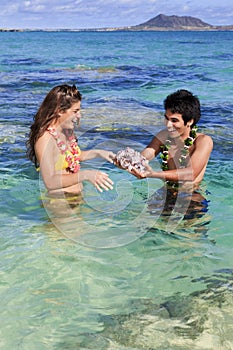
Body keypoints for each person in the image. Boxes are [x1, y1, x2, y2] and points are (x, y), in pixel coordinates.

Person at [129, 89, 213, 221]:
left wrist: (152, 174)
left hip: (191, 196)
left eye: (174, 120)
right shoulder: (163, 136)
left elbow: (190, 174)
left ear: (189, 121)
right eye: (166, 118)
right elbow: (146, 155)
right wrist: (128, 161)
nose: (168, 125)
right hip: (165, 194)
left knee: (189, 238)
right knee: (143, 228)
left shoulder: (203, 141)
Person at [27, 84, 115, 196]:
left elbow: (74, 156)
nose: (79, 116)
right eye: (75, 111)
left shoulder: (66, 131)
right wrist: (86, 175)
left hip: (77, 196)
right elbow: (50, 181)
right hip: (60, 201)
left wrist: (99, 153)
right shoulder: (45, 139)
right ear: (59, 110)